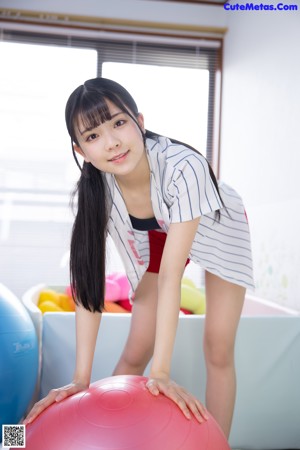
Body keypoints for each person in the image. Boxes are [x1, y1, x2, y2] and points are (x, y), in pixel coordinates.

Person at [24, 77, 254, 438]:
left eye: (118, 123)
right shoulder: (96, 187)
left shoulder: (184, 166)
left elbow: (170, 276)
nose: (112, 142)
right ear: (81, 150)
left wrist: (160, 373)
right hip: (159, 233)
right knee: (135, 350)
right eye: (93, 136)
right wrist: (80, 379)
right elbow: (89, 281)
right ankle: (113, 436)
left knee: (219, 347)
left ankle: (218, 443)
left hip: (217, 225)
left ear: (140, 122)